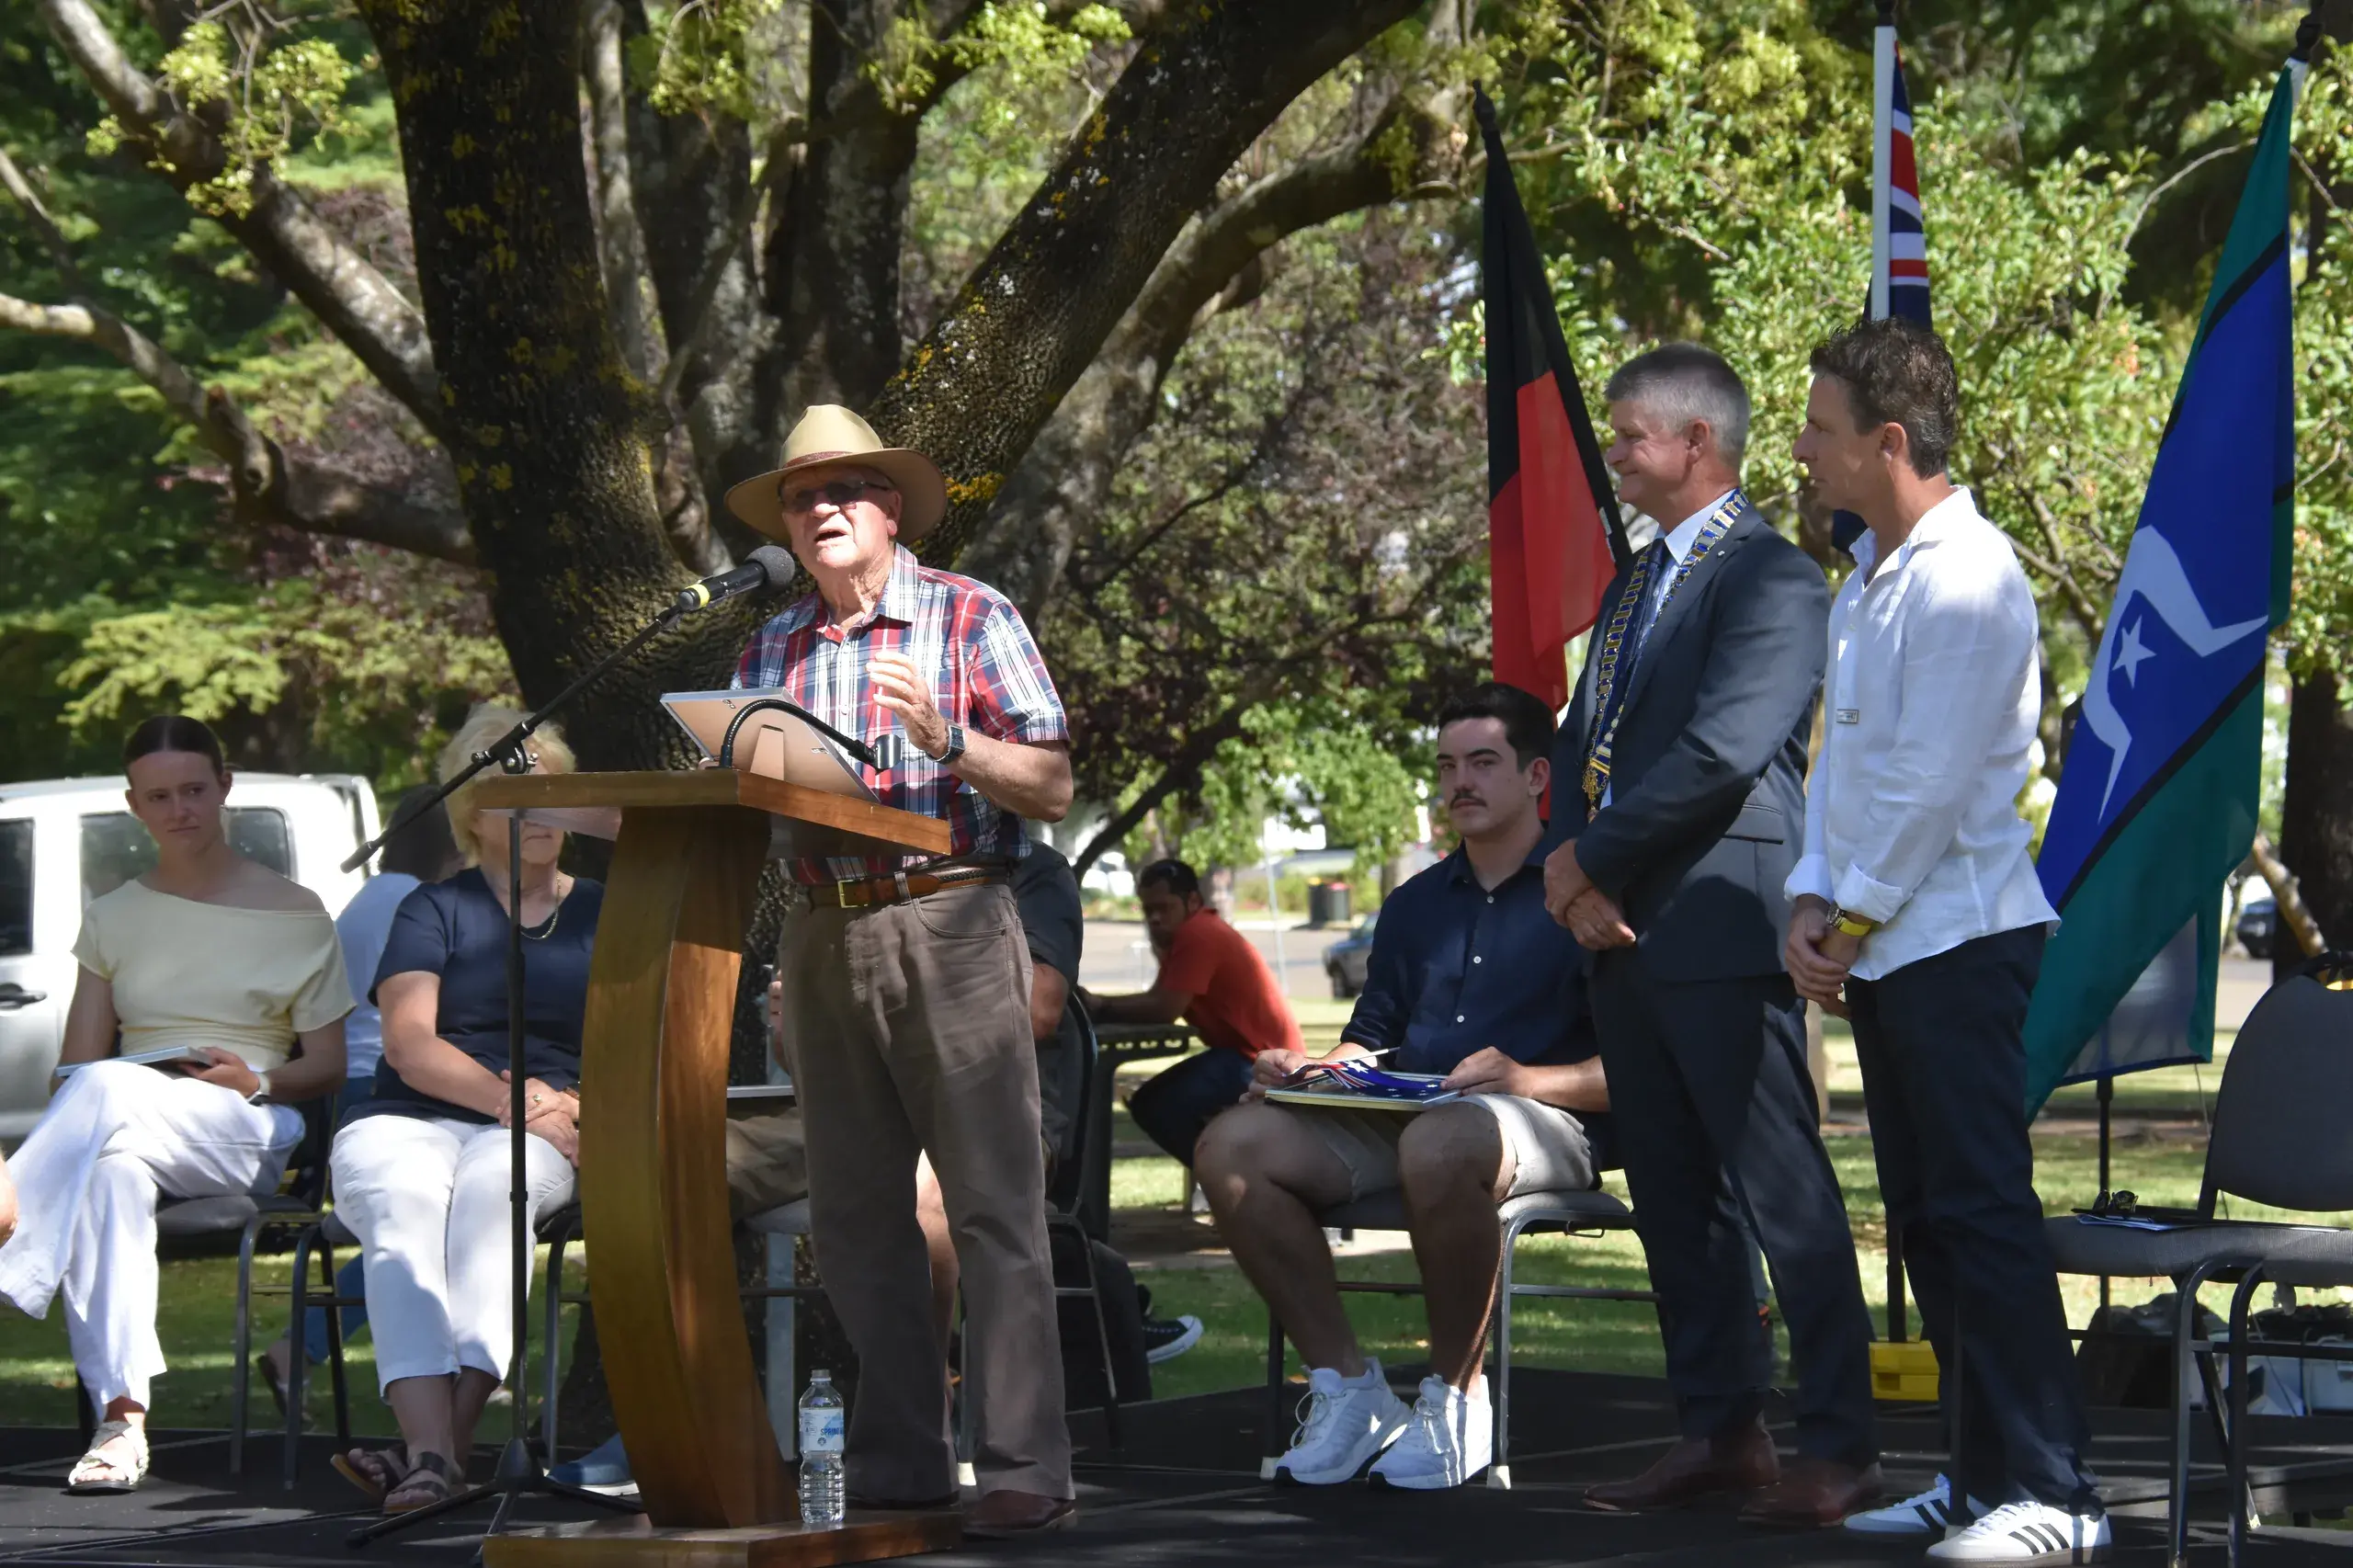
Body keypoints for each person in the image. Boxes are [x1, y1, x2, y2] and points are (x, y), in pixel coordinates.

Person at [723, 403, 1075, 1535]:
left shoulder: (970, 613)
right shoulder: (767, 646)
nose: (819, 509)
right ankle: (900, 1460)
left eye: (846, 491)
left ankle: (1023, 1463)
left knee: (991, 1206)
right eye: (799, 495)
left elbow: (1054, 784)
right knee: (857, 1216)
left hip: (953, 918)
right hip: (821, 930)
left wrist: (951, 744)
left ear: (890, 511)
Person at [1544, 343, 1881, 1526]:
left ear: (1695, 443)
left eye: (1631, 434)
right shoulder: (1633, 585)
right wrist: (1567, 867)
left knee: (1780, 1190)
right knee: (1677, 1197)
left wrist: (1593, 856)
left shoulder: (1775, 578)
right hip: (1623, 928)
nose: (1616, 454)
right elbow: (1583, 736)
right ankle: (1719, 1429)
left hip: (1721, 916)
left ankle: (1837, 1441)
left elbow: (1725, 748)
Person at [1786, 317, 2104, 1563]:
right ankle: (1978, 1482)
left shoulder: (1971, 573)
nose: (1804, 449)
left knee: (1980, 1209)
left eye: (1820, 427)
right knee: (1926, 1215)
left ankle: (2057, 1495)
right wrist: (1816, 901)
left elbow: (1927, 786)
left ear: (1890, 441)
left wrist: (1846, 913)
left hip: (1958, 940)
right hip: (1882, 942)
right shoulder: (1867, 577)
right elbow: (1837, 775)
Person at [1197, 682, 1614, 1492]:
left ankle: (1457, 1401)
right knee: (1232, 1143)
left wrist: (1525, 1078)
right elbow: (1371, 1038)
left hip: (1552, 1119)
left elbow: (1641, 1069)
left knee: (1443, 1138)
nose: (1460, 781)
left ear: (1536, 777)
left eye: (1483, 762)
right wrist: (1314, 1072)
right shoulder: (1414, 903)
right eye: (1448, 765)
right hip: (1416, 1122)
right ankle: (1351, 1394)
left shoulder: (1588, 887)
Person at [0, 715, 351, 1494]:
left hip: (250, 1119)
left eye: (195, 789)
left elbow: (326, 1066)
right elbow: (77, 1070)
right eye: (160, 796)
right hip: (131, 1112)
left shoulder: (298, 911)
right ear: (135, 806)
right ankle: (122, 1421)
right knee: (109, 1172)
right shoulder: (113, 915)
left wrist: (255, 1079)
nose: (181, 808)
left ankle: (9, 1206)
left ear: (223, 788)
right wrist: (132, 1076)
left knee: (110, 1092)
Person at [327, 707, 597, 1515]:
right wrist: (518, 1101)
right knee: (403, 1201)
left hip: (550, 1126)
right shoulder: (431, 908)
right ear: (472, 815)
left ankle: (432, 1452)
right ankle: (438, 1454)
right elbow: (409, 1046)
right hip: (416, 1115)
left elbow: (645, 1040)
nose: (536, 810)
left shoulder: (611, 910)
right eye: (512, 793)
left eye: (551, 790)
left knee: (494, 1196)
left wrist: (574, 1111)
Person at [258, 785, 463, 1411]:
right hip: (384, 1088)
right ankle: (306, 1345)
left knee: (435, 1225)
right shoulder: (419, 903)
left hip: (355, 1089)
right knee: (434, 1222)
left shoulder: (375, 895)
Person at [1084, 859, 1302, 1165]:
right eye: (1148, 910)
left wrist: (1099, 1006)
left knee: (1154, 1106)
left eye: (1164, 908)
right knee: (1154, 1102)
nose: (1155, 919)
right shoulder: (1189, 934)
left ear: (1193, 901)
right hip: (1252, 1057)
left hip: (1261, 1062)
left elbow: (1164, 1008)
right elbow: (1159, 999)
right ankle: (1225, 1175)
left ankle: (1226, 1179)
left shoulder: (1197, 934)